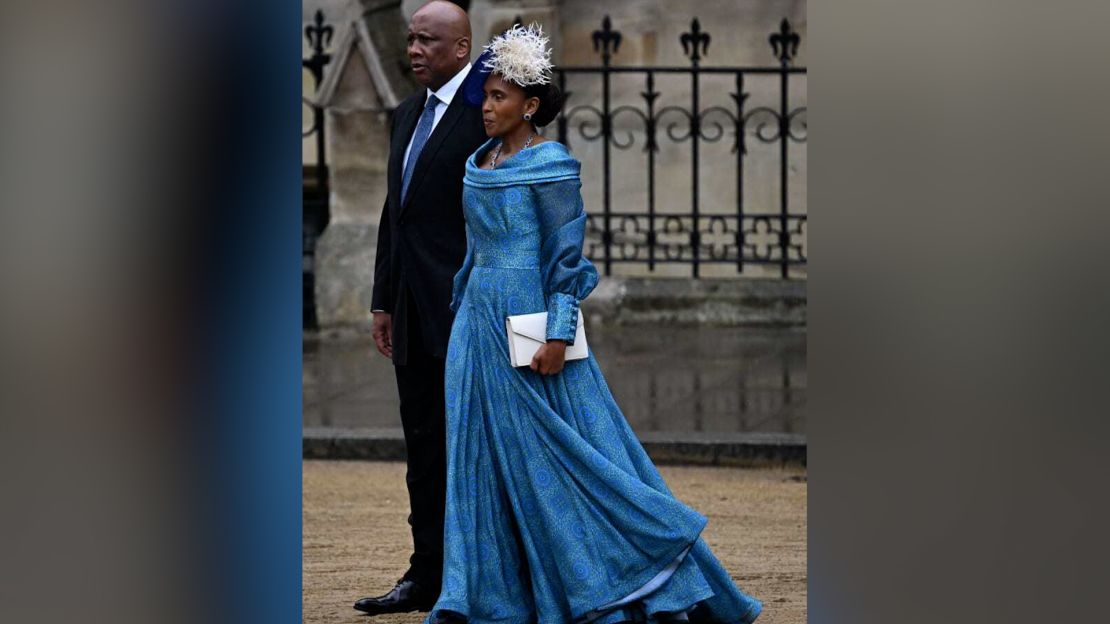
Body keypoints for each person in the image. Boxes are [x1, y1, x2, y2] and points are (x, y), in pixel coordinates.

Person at [424, 24, 763, 624]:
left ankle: (612, 581)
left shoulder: (552, 165)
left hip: (527, 322)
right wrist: (459, 310)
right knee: (479, 453)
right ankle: (491, 594)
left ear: (530, 106)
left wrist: (558, 333)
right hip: (476, 322)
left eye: (499, 96)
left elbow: (566, 260)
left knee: (565, 454)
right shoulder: (481, 161)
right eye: (486, 94)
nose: (485, 106)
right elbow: (475, 250)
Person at [354, 1, 488, 616]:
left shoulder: (488, 111)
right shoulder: (406, 114)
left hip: (467, 309)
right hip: (410, 311)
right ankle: (425, 576)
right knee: (424, 447)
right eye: (410, 39)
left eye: (427, 41)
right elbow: (394, 213)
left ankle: (481, 578)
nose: (413, 50)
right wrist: (383, 300)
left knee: (476, 450)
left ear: (461, 48)